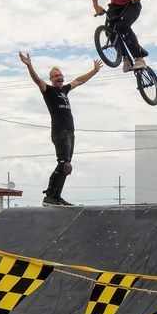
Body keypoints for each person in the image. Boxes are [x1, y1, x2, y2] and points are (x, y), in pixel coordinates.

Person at [19, 51, 101, 207]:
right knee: (63, 163)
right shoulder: (48, 91)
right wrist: (29, 65)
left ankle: (56, 196)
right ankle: (50, 195)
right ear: (51, 79)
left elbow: (78, 80)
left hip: (70, 132)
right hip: (60, 132)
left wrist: (94, 71)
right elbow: (37, 80)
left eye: (61, 75)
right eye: (56, 76)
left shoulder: (65, 90)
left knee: (67, 166)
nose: (59, 77)